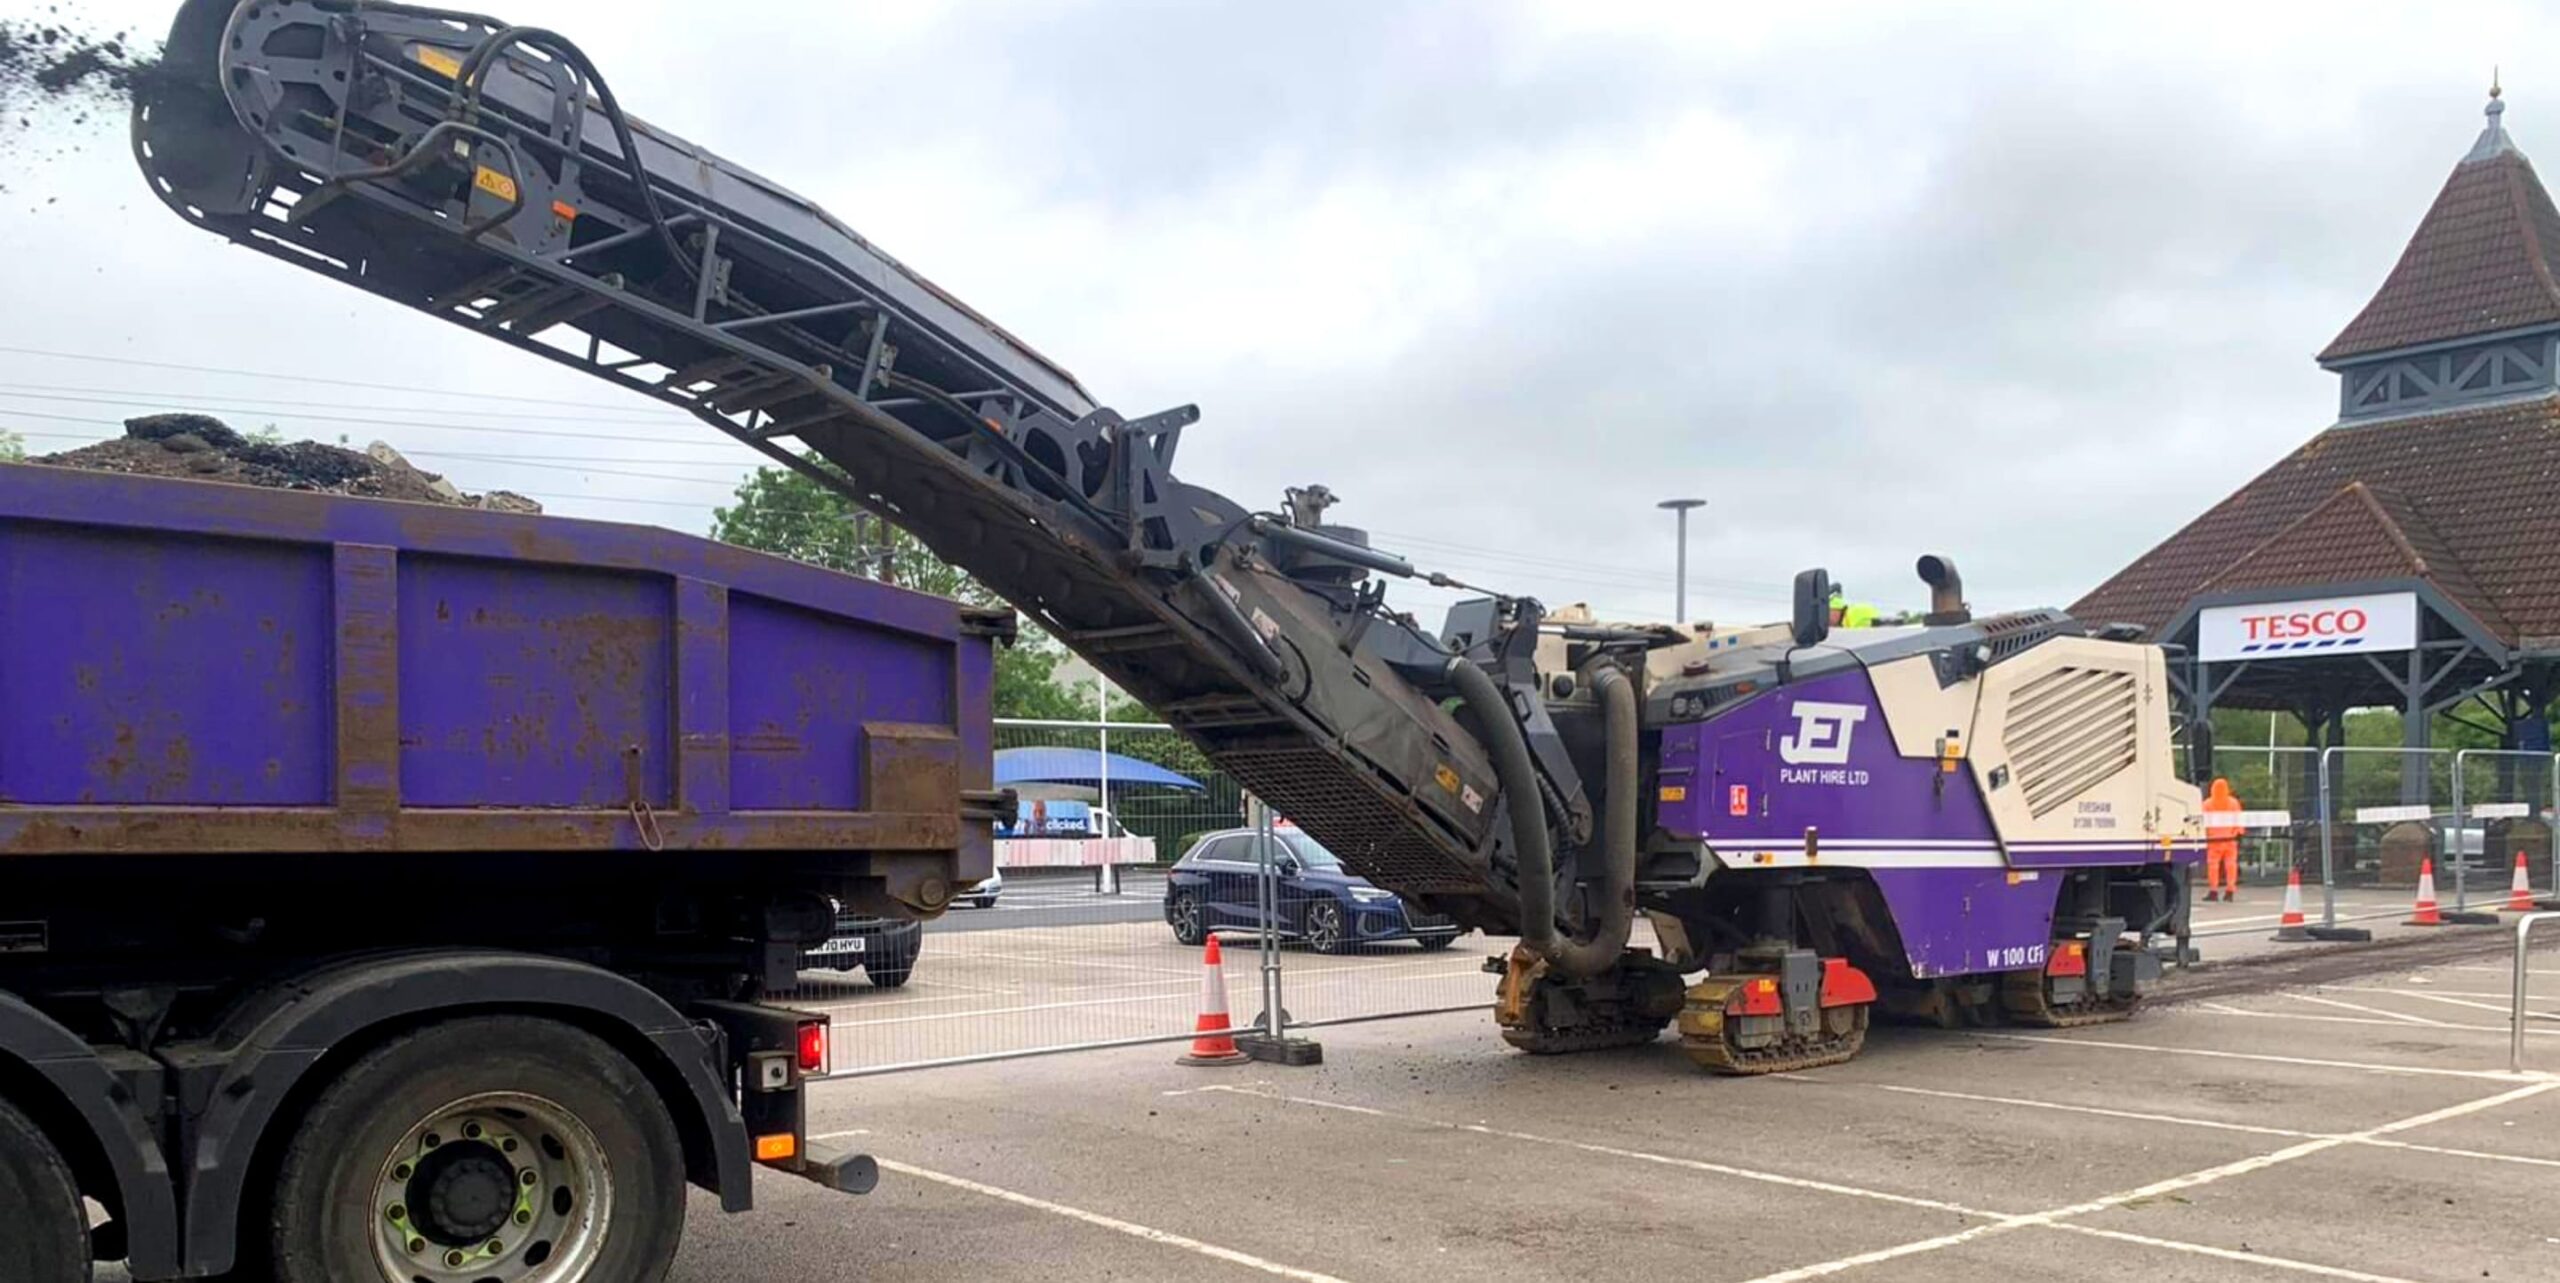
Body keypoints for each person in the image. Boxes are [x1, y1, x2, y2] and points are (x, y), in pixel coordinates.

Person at [2201, 777, 2243, 902]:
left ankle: (2213, 891)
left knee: (2213, 866)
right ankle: (2230, 891)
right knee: (2231, 866)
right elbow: (2238, 820)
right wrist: (2238, 833)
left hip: (2213, 840)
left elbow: (2204, 822)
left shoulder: (2207, 804)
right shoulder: (2233, 803)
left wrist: (2205, 836)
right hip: (2230, 840)